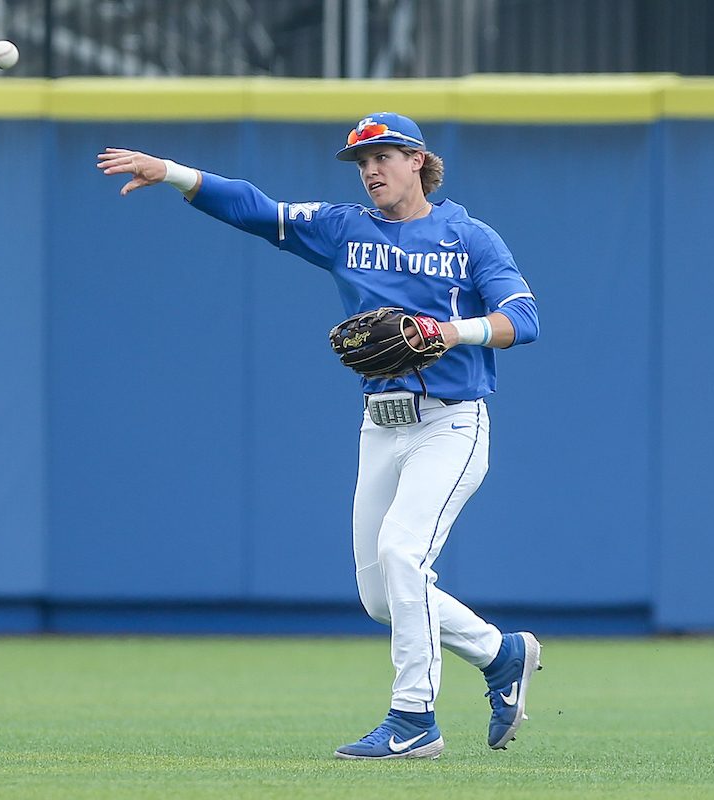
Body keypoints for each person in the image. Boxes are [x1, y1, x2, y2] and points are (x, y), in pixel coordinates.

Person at [98, 112, 541, 760]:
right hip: (381, 426)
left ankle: (415, 719)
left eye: (382, 156)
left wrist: (455, 331)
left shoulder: (467, 236)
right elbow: (258, 210)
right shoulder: (344, 230)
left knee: (402, 555)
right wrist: (171, 174)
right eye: (360, 162)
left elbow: (523, 317)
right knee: (379, 593)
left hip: (452, 423)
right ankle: (500, 654)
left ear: (417, 159)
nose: (370, 171)